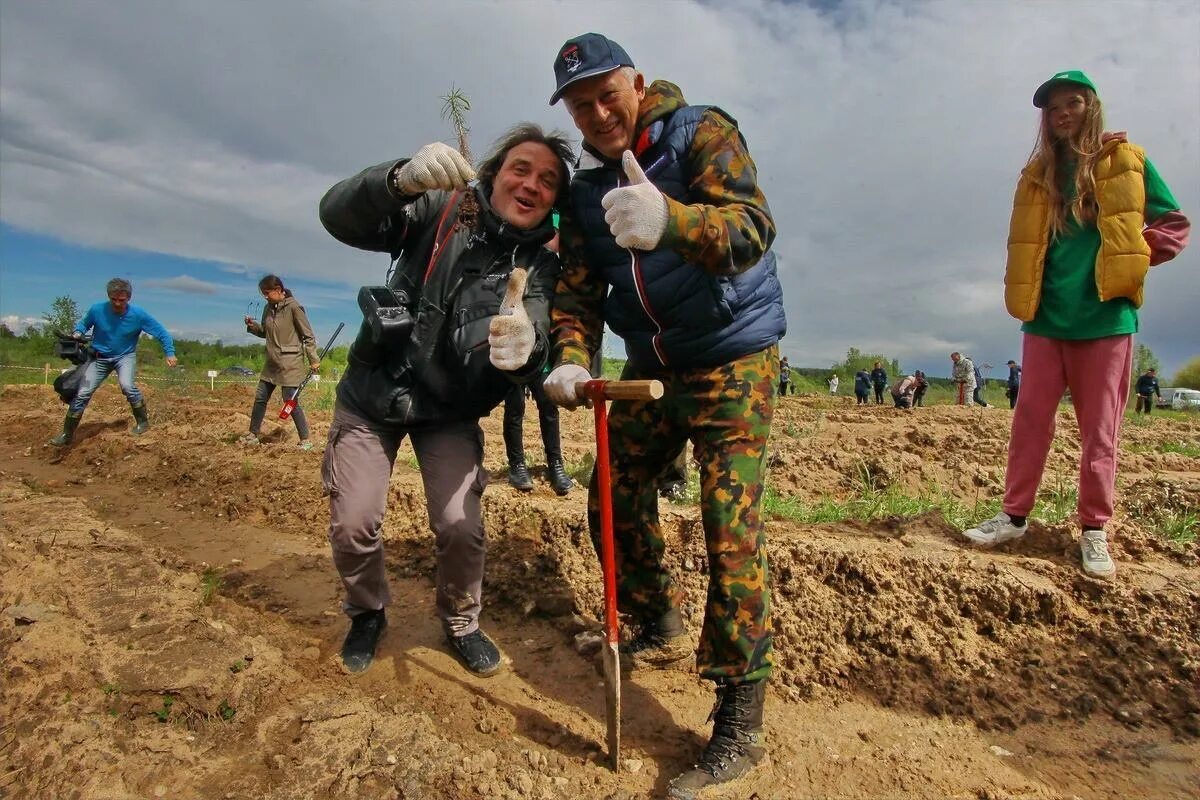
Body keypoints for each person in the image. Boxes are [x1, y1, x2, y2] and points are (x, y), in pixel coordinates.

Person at [542, 33, 786, 796]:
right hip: (654, 361)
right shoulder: (584, 192)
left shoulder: (702, 133)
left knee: (728, 520)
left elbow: (752, 229)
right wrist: (572, 356)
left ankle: (739, 716)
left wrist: (675, 222)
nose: (597, 113)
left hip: (732, 354)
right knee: (612, 488)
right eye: (580, 105)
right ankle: (656, 621)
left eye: (605, 94)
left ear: (636, 84)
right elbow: (578, 288)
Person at [317, 124, 573, 676]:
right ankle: (367, 613)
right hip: (372, 397)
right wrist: (396, 181)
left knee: (461, 525)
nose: (531, 184)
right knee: (354, 523)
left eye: (549, 181)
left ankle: (461, 620)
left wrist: (528, 349)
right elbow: (338, 216)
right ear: (495, 173)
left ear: (555, 201)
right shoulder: (440, 207)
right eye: (520, 169)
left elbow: (540, 333)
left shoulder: (543, 269)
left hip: (450, 413)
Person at [962, 70, 1189, 581]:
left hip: (1106, 319)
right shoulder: (1037, 174)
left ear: (1092, 107)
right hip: (1045, 317)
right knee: (1029, 424)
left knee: (1099, 433)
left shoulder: (1126, 161)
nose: (1062, 113)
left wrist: (1132, 257)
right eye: (1052, 107)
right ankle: (1013, 517)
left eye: (1073, 103)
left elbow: (1173, 223)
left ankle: (1094, 531)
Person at [49, 278, 176, 446]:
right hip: (99, 358)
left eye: (121, 300)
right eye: (113, 299)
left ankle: (143, 422)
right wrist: (78, 333)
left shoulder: (138, 315)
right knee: (82, 394)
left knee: (128, 387)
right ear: (109, 297)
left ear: (128, 298)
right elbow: (83, 324)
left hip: (125, 357)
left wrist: (170, 353)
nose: (117, 303)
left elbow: (161, 332)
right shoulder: (97, 310)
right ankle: (67, 435)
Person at [241, 275, 321, 451]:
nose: (265, 297)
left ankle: (305, 440)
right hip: (271, 363)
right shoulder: (267, 308)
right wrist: (253, 326)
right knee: (260, 398)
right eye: (263, 294)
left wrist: (313, 359)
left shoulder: (294, 307)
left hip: (290, 363)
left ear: (278, 290)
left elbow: (308, 336)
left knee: (290, 401)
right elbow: (265, 332)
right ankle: (253, 434)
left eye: (267, 293)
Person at [503, 376, 573, 494]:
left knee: (548, 403)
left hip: (539, 361)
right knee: (515, 405)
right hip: (513, 363)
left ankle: (555, 464)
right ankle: (517, 464)